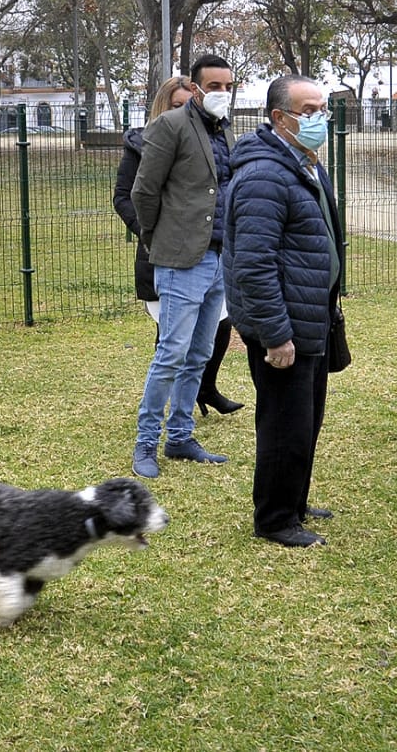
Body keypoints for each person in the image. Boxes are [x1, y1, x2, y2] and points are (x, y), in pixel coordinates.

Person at [224, 75, 345, 548]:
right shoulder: (264, 175)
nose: (320, 118)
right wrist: (276, 334)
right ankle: (275, 519)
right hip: (285, 323)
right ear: (280, 118)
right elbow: (253, 266)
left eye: (323, 108)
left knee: (305, 418)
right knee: (282, 423)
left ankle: (293, 501)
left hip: (311, 314)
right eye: (310, 110)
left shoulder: (306, 163)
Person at [127, 54, 238, 479]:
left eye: (228, 86)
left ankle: (180, 436)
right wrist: (159, 239)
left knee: (200, 353)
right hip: (180, 258)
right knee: (170, 354)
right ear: (194, 88)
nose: (221, 94)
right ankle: (146, 443)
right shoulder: (169, 126)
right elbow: (144, 192)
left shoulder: (224, 129)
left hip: (218, 257)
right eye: (213, 86)